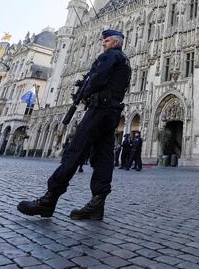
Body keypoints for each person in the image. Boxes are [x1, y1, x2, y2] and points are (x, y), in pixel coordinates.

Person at [17, 29, 131, 221]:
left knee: (74, 152)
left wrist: (84, 94)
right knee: (103, 157)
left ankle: (48, 200)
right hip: (112, 112)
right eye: (103, 41)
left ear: (117, 43)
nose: (103, 43)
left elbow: (97, 78)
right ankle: (97, 204)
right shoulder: (124, 61)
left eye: (107, 40)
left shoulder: (110, 56)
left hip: (99, 110)